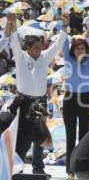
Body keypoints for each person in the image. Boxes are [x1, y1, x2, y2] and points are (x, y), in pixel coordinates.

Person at [3, 12, 68, 175]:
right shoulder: (20, 56)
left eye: (41, 46)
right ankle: (14, 166)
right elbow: (15, 40)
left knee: (40, 136)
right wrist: (13, 23)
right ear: (28, 48)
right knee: (20, 136)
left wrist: (65, 26)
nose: (40, 49)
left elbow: (59, 44)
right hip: (23, 101)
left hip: (39, 102)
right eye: (36, 47)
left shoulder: (44, 57)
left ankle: (38, 168)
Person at [62, 16, 89, 177]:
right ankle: (70, 168)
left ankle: (82, 167)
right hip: (70, 98)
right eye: (77, 48)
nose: (79, 50)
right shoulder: (68, 59)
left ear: (86, 50)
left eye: (82, 48)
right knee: (70, 135)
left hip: (85, 99)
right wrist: (64, 25)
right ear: (73, 50)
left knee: (84, 135)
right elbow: (63, 41)